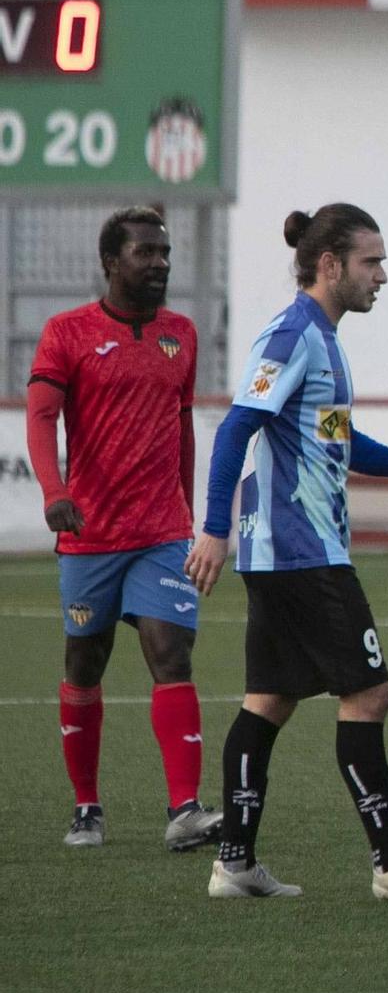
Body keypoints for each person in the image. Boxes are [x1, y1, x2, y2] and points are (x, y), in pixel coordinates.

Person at [186, 204, 388, 901]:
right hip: (303, 551)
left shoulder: (322, 338)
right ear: (330, 264)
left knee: (269, 700)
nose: (383, 275)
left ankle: (234, 862)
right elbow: (234, 431)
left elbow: (335, 439)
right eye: (372, 262)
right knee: (369, 693)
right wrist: (212, 526)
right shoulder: (293, 335)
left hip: (284, 553)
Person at [26, 207, 221, 852]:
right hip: (91, 534)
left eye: (165, 252)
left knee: (172, 653)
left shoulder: (183, 335)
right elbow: (41, 416)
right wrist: (55, 491)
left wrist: (191, 520)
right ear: (111, 261)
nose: (160, 262)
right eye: (146, 252)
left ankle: (185, 809)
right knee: (86, 661)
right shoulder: (67, 332)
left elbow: (184, 424)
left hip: (163, 532)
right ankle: (87, 806)